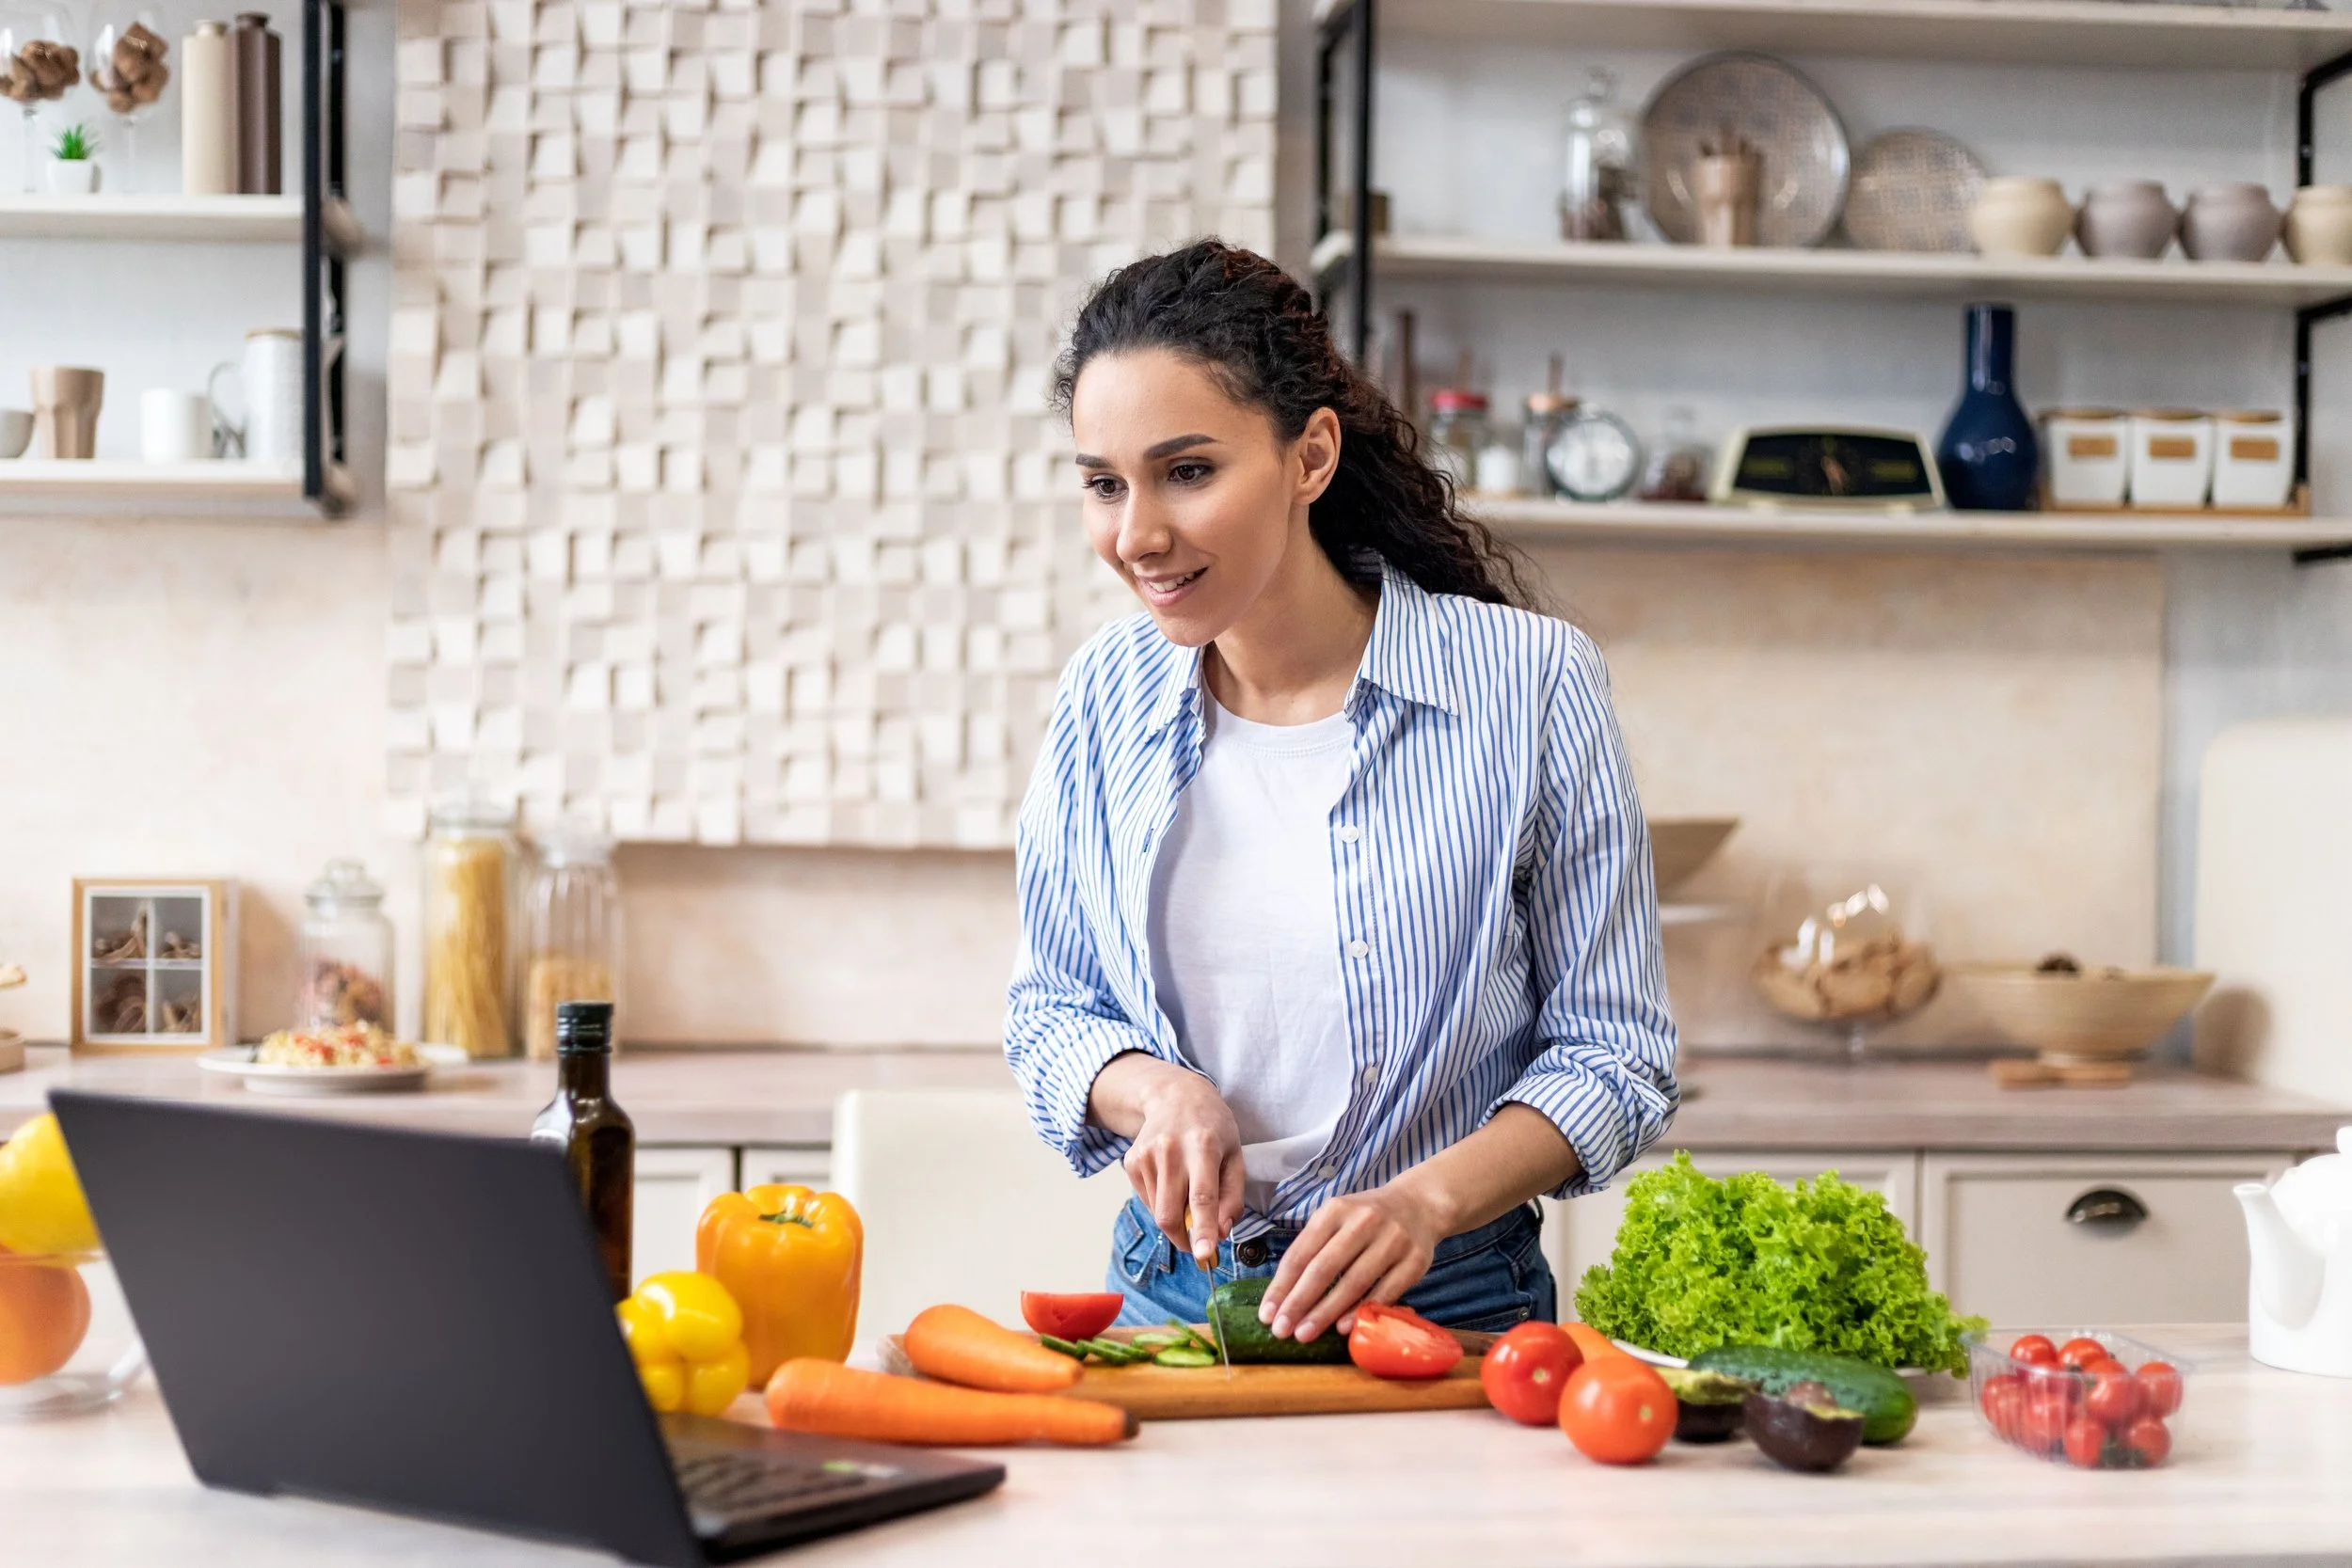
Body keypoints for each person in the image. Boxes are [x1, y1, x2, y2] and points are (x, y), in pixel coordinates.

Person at [1004, 239, 1677, 1347]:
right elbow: (1052, 1011)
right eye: (1103, 483)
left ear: (1310, 455)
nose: (1137, 535)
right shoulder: (1103, 696)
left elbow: (1614, 1051)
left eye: (1187, 470)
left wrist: (1427, 1200)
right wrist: (1156, 1091)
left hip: (1454, 1307)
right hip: (1172, 1293)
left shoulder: (1528, 682)